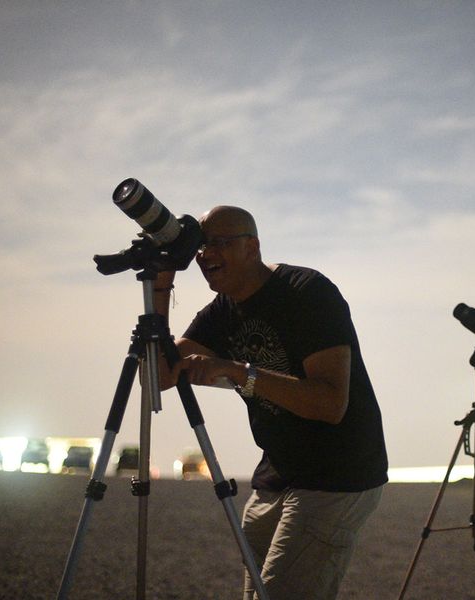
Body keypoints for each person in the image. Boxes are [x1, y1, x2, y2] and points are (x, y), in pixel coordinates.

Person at [154, 205, 388, 600]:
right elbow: (159, 375)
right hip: (277, 475)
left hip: (338, 473)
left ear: (252, 247)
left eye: (219, 244)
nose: (205, 255)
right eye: (200, 248)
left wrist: (237, 370)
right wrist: (161, 285)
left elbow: (331, 403)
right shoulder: (220, 314)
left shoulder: (307, 293)